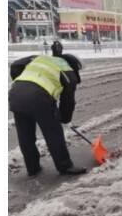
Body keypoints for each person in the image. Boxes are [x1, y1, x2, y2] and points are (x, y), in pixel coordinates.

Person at [9, 41, 87, 176]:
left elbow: (16, 65)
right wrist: (64, 118)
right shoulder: (68, 71)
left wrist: (22, 82)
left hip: (16, 94)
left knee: (25, 134)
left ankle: (32, 168)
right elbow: (68, 101)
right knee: (54, 133)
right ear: (74, 66)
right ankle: (65, 166)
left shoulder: (41, 59)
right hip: (38, 98)